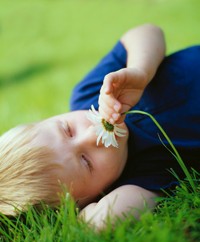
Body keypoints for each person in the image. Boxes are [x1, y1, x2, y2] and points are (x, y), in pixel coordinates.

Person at [0, 24, 199, 230]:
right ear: (97, 195)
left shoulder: (93, 92)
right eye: (86, 162)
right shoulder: (140, 176)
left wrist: (140, 70)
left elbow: (147, 32)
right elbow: (104, 221)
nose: (92, 134)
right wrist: (84, 219)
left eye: (68, 129)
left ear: (50, 118)